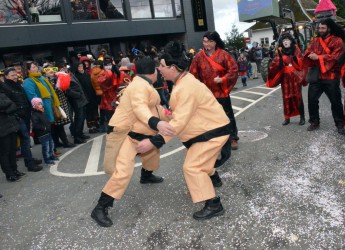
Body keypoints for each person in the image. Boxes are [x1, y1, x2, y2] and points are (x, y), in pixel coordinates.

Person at [137, 41, 231, 220]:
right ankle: (213, 179)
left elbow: (178, 123)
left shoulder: (186, 86)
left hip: (212, 131)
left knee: (192, 167)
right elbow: (180, 114)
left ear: (172, 67)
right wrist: (167, 115)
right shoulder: (183, 82)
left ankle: (213, 204)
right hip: (205, 130)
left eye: (162, 66)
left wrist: (153, 141)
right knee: (199, 161)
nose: (159, 70)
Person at [90, 57, 174, 227]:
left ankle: (146, 175)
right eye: (158, 69)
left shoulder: (143, 84)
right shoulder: (139, 87)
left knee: (152, 152)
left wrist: (167, 115)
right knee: (123, 171)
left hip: (139, 131)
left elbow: (153, 108)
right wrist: (156, 123)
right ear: (154, 71)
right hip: (125, 133)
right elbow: (140, 108)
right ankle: (101, 207)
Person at [189, 30, 239, 165]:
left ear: (215, 42)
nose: (206, 44)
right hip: (206, 95)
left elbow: (234, 70)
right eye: (204, 41)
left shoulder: (224, 55)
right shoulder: (199, 57)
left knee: (227, 116)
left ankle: (233, 137)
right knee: (209, 119)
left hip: (221, 92)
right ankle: (214, 141)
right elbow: (193, 74)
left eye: (209, 41)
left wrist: (223, 79)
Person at [303, 18, 345, 133]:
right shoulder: (315, 40)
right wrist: (309, 54)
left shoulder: (338, 41)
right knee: (312, 100)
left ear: (329, 29)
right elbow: (308, 51)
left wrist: (319, 57)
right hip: (316, 76)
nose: (320, 30)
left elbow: (337, 57)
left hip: (331, 77)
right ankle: (314, 122)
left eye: (323, 28)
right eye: (319, 28)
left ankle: (340, 124)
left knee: (335, 102)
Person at [2, 66, 42, 172]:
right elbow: (8, 104)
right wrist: (17, 114)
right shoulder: (5, 87)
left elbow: (24, 99)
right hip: (17, 118)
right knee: (25, 140)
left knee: (26, 140)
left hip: (25, 115)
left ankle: (29, 159)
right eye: (12, 75)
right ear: (6, 76)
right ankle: (29, 164)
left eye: (16, 75)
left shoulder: (19, 84)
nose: (15, 77)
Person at [266, 33, 306, 126]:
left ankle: (302, 117)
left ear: (291, 41)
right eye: (284, 41)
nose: (285, 42)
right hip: (285, 79)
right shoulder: (279, 52)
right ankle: (287, 118)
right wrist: (278, 62)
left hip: (295, 78)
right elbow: (274, 65)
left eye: (287, 40)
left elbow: (301, 63)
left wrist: (295, 59)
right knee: (286, 97)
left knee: (298, 97)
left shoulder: (296, 50)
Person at [0, 87, 23, 182]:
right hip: (2, 128)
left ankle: (15, 170)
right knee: (5, 152)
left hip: (12, 125)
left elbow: (13, 105)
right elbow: (5, 104)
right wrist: (7, 105)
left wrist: (5, 109)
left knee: (13, 149)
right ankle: (9, 174)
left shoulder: (2, 93)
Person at [31, 98, 58, 165]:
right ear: (35, 106)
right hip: (42, 134)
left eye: (40, 103)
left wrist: (48, 126)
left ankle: (51, 155)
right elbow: (35, 125)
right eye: (38, 104)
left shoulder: (42, 112)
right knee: (46, 147)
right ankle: (47, 159)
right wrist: (44, 128)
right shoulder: (34, 114)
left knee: (51, 145)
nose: (40, 105)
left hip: (48, 132)